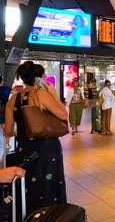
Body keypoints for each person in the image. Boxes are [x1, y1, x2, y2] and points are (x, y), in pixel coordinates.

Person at [4, 61, 68, 215]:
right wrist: (53, 93)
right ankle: (50, 216)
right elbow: (64, 115)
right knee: (48, 187)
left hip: (24, 150)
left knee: (27, 186)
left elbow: (8, 130)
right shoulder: (42, 94)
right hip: (47, 149)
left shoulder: (13, 99)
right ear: (38, 78)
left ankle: (29, 215)